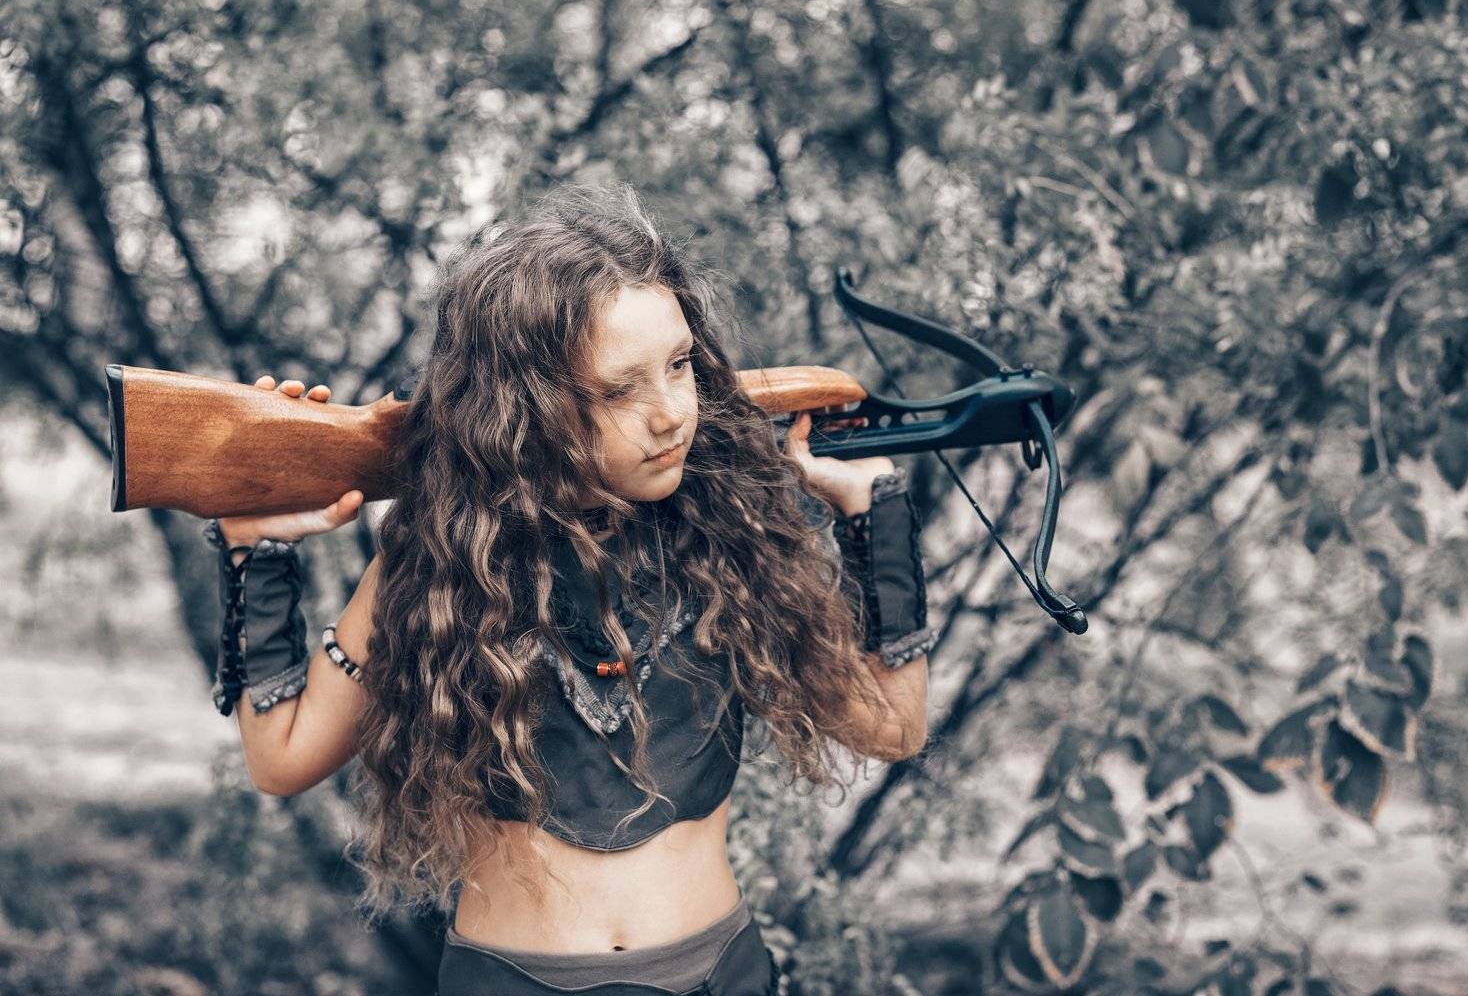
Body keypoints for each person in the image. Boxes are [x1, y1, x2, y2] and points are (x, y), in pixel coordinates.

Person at [202, 182, 937, 995]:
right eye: (621, 389)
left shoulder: (733, 538)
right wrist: (258, 552)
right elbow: (282, 759)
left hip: (724, 976)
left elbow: (893, 727)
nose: (671, 414)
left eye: (680, 365)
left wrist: (876, 517)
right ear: (526, 407)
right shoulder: (439, 563)